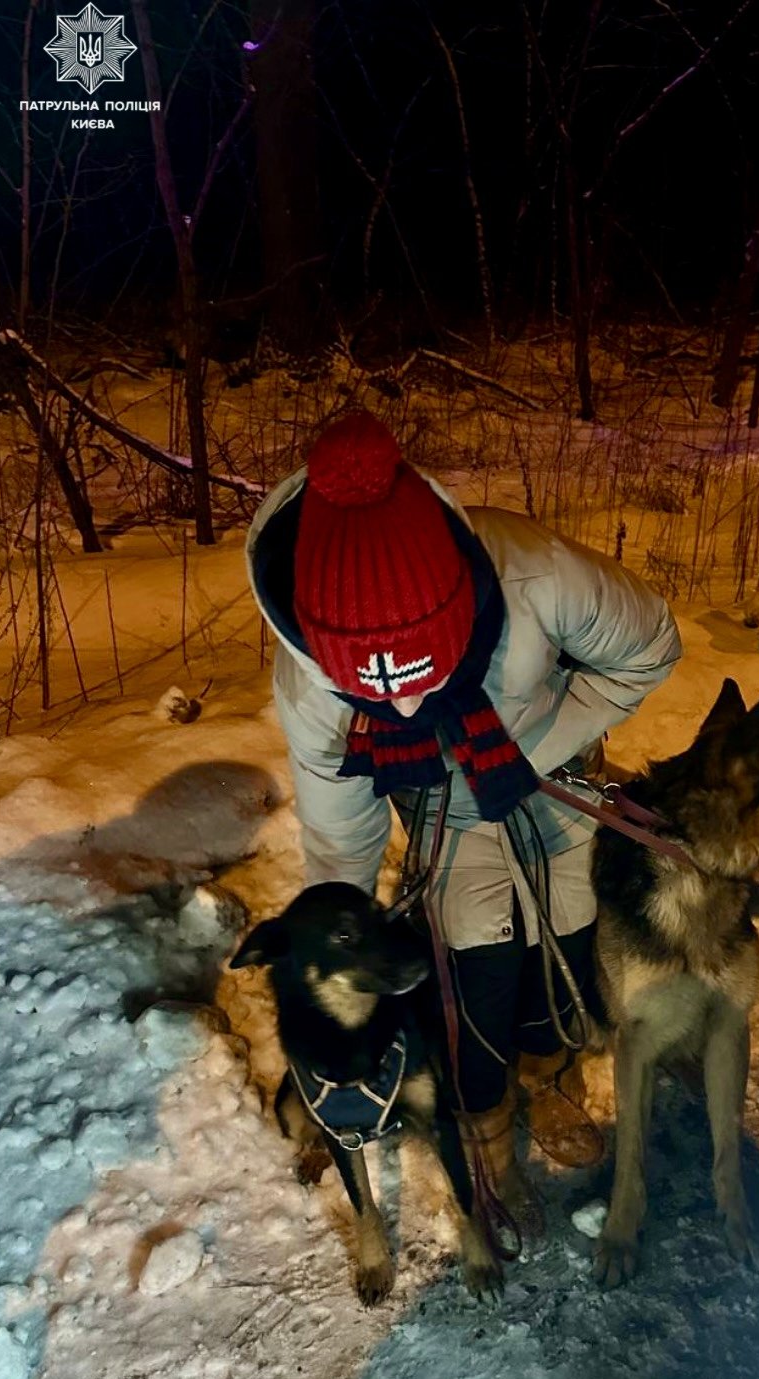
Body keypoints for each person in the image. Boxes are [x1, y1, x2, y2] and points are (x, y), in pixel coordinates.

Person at [245, 410, 681, 1235]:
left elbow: (650, 647)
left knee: (569, 933)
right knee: (477, 964)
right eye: (378, 693)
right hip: (443, 814)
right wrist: (344, 956)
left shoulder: (536, 574)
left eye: (421, 672)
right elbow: (342, 842)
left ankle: (549, 1078)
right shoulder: (309, 690)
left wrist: (530, 753)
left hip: (554, 780)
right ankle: (486, 1135)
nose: (406, 705)